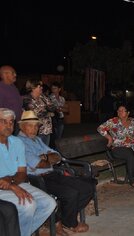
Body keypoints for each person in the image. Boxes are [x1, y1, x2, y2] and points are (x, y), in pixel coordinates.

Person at [17, 110, 94, 234]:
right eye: (30, 125)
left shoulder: (37, 140)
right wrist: (47, 158)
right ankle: (69, 222)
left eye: (36, 126)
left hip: (53, 174)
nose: (34, 129)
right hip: (37, 179)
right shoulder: (19, 142)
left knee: (88, 187)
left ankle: (61, 218)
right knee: (70, 193)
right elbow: (37, 164)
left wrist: (45, 158)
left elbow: (57, 156)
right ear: (22, 126)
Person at [0, 108, 56, 236]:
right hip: (2, 188)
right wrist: (11, 185)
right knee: (28, 205)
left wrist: (12, 181)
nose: (9, 126)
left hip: (17, 182)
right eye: (4, 121)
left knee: (49, 204)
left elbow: (22, 172)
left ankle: (19, 232)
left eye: (11, 122)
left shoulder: (17, 142)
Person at [97, 105, 134, 189]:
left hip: (133, 146)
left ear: (128, 113)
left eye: (122, 110)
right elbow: (100, 128)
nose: (119, 112)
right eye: (118, 111)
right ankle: (132, 181)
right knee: (131, 156)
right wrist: (109, 137)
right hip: (118, 147)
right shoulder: (113, 121)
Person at [22, 79, 56, 146]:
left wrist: (46, 110)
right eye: (39, 86)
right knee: (37, 151)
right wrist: (47, 113)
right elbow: (33, 114)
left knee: (45, 150)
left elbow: (52, 108)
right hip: (36, 130)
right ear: (33, 88)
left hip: (46, 129)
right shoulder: (27, 99)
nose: (42, 88)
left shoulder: (43, 96)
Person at [0, 65, 23, 133]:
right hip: (7, 125)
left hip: (16, 123)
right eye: (13, 73)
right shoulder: (1, 88)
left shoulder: (13, 86)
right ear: (5, 74)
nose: (15, 75)